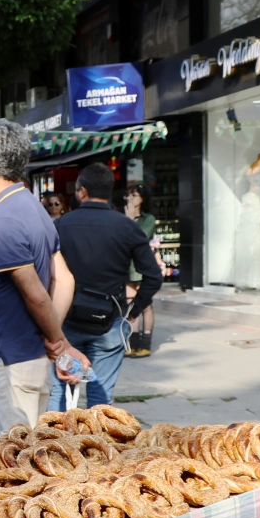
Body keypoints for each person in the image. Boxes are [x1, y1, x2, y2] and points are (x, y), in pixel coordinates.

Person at [0, 119, 87, 432]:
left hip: (15, 359)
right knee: (33, 447)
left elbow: (35, 292)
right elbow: (64, 279)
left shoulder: (3, 219)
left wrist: (58, 342)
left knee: (19, 457)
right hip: (29, 353)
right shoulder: (31, 206)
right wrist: (53, 338)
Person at [49, 163, 163, 410]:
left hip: (68, 323)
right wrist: (133, 313)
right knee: (101, 402)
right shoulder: (126, 226)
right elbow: (154, 276)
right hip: (110, 322)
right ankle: (97, 447)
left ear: (81, 191)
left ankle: (51, 446)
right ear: (111, 193)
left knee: (61, 392)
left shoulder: (60, 226)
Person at [123, 185, 158, 358]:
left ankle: (145, 343)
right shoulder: (122, 217)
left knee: (145, 304)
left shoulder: (148, 218)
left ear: (142, 199)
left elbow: (140, 238)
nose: (130, 199)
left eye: (134, 195)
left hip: (143, 265)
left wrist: (130, 221)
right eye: (128, 196)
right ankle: (132, 342)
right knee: (130, 303)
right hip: (127, 266)